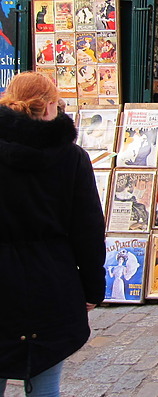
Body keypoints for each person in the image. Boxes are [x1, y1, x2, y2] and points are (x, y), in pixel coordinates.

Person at [0, 71, 105, 395]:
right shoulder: (71, 158)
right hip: (51, 281)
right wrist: (92, 290)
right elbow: (87, 231)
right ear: (48, 107)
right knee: (45, 380)